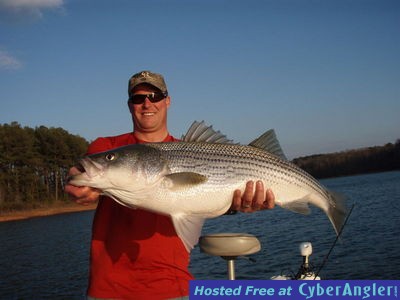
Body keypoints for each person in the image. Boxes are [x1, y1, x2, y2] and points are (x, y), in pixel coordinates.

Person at [65, 70, 275, 300]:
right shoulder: (108, 146)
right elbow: (80, 173)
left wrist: (239, 205)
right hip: (108, 290)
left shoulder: (188, 148)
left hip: (174, 287)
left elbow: (209, 196)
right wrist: (75, 182)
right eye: (138, 98)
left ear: (167, 101)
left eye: (154, 96)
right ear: (129, 105)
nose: (147, 104)